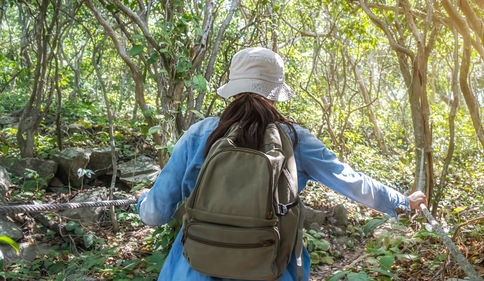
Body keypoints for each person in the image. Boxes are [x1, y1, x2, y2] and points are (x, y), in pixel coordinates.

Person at [136, 47, 427, 281]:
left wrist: (141, 201)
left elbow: (155, 214)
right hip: (272, 267)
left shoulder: (200, 134)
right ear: (276, 92)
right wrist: (402, 201)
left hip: (194, 269)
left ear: (234, 89)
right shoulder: (295, 139)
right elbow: (351, 181)